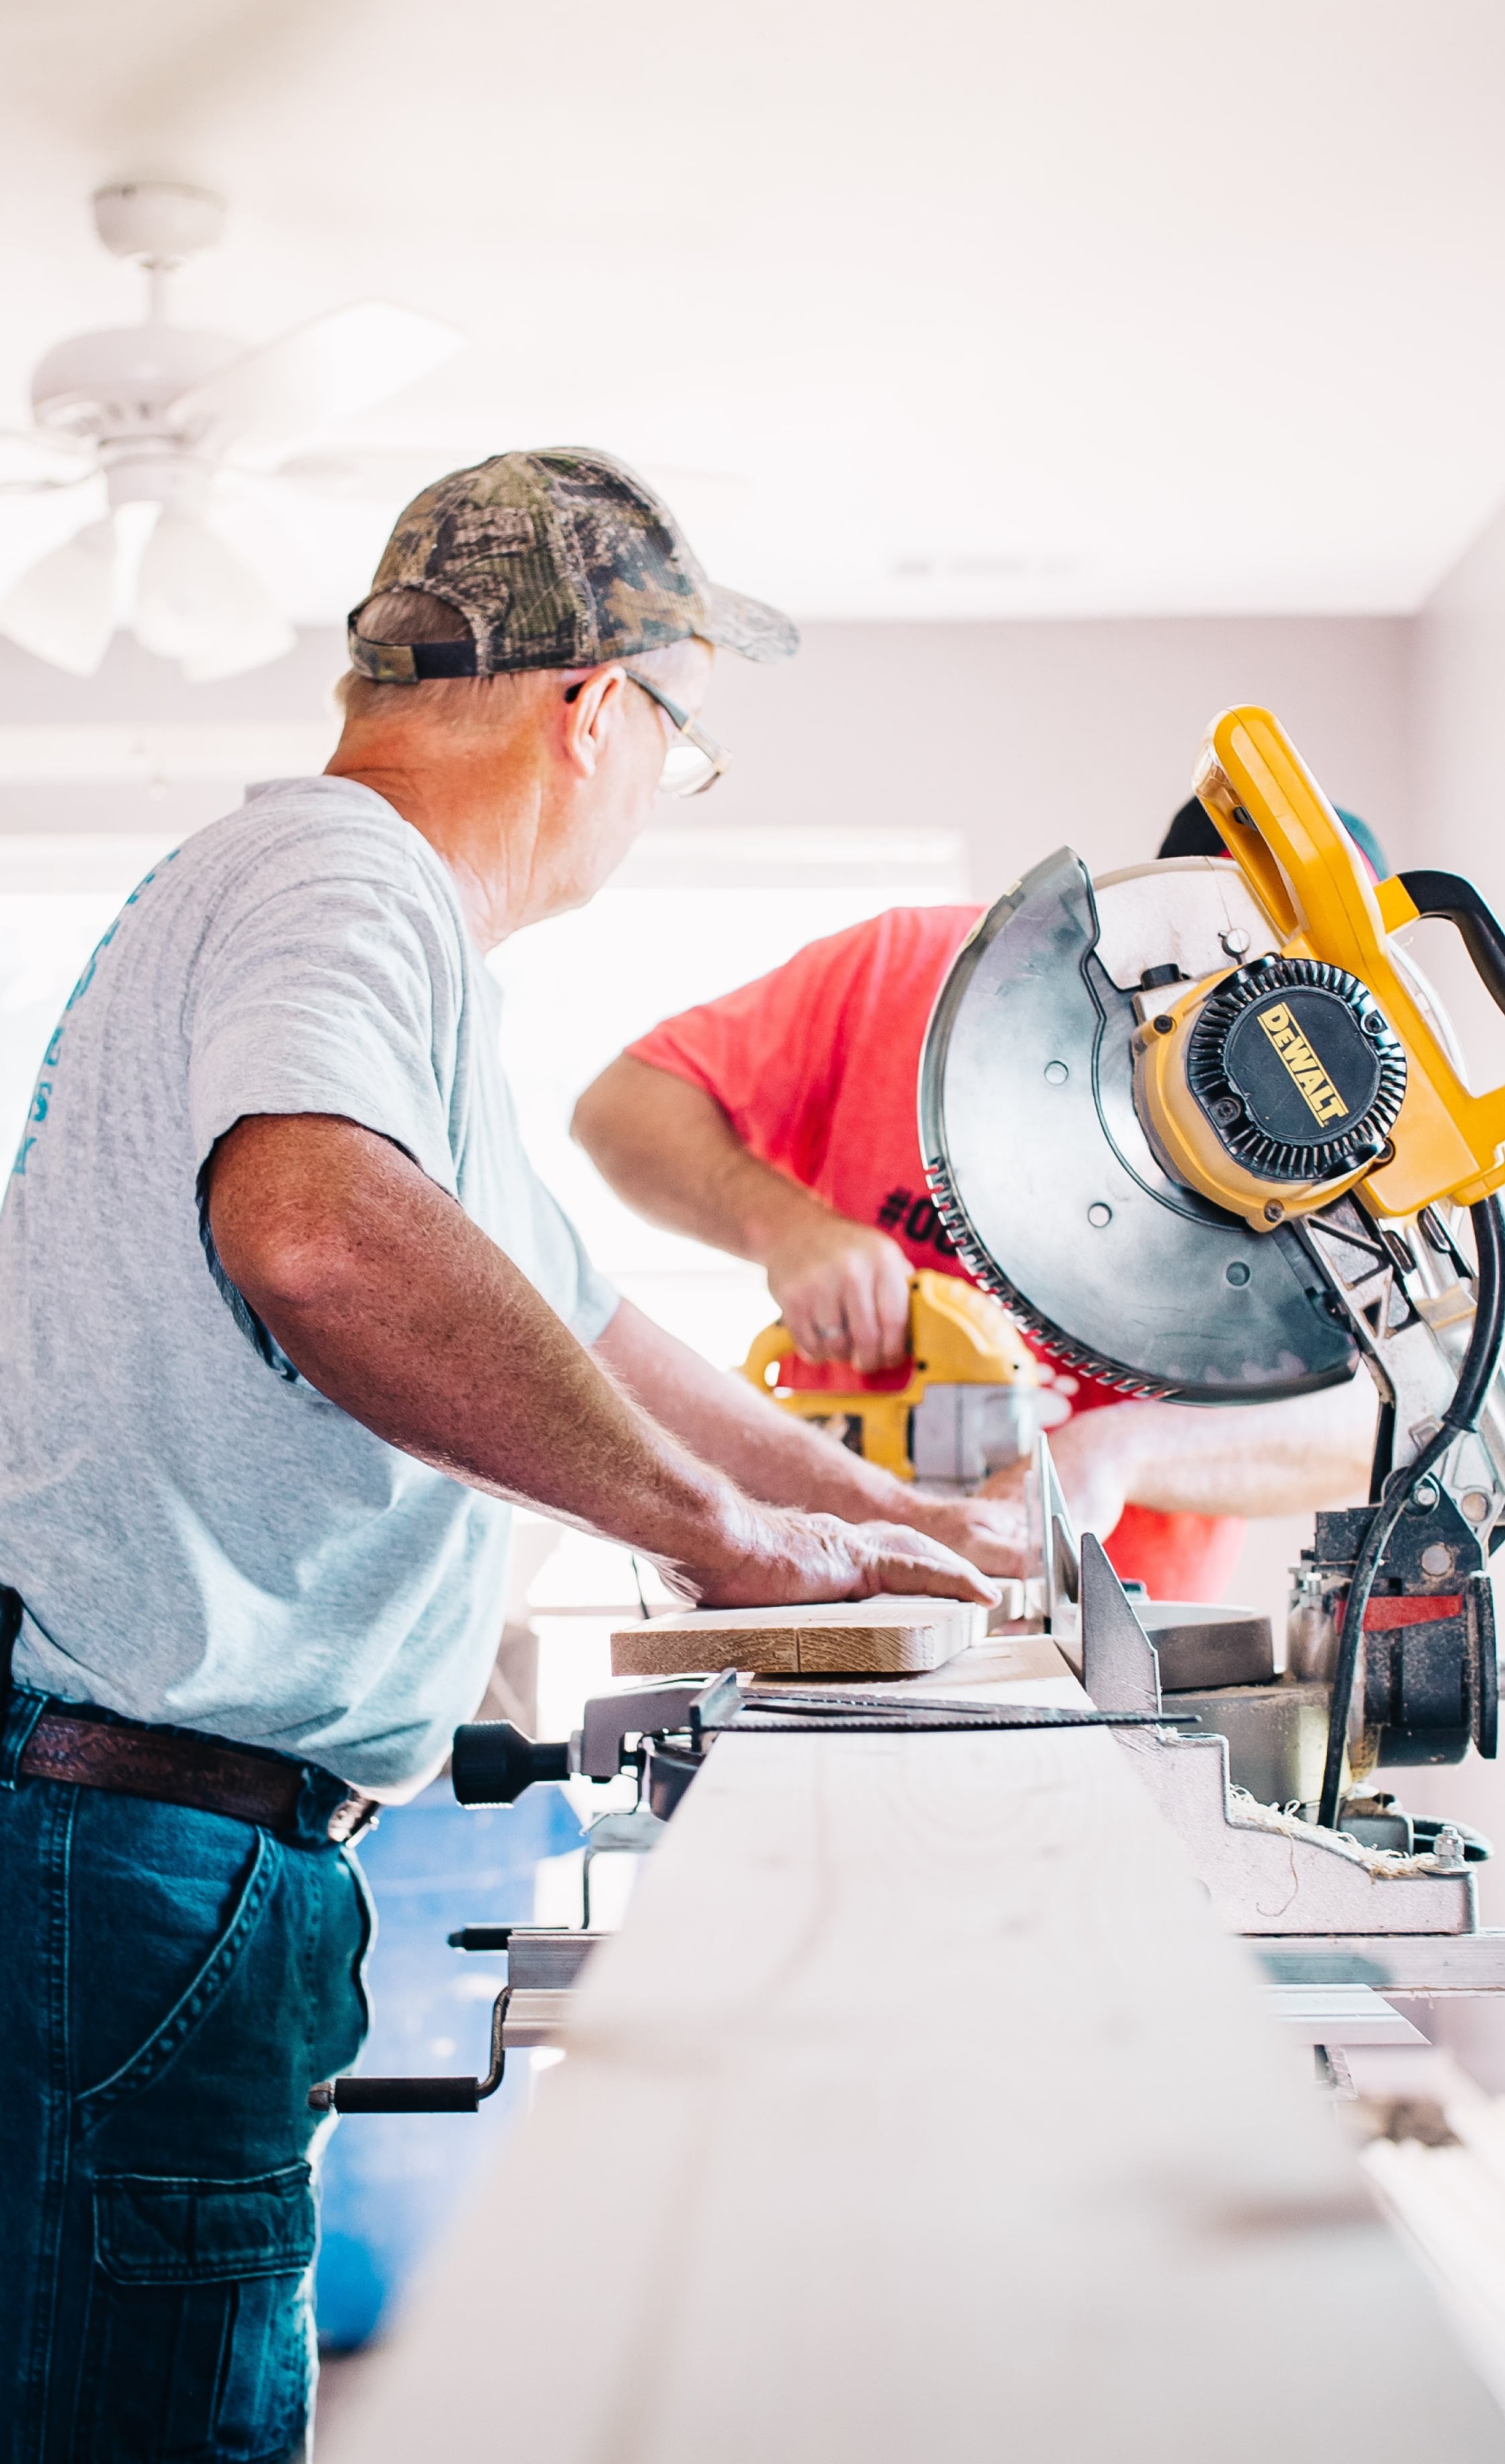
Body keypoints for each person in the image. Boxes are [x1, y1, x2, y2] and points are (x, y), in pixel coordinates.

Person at [0, 449, 1016, 2461]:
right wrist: (724, 1538)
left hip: (159, 1848)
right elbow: (313, 1228)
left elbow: (586, 1316)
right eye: (677, 741)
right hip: (146, 1848)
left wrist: (877, 1512)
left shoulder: (365, 940)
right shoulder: (342, 875)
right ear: (602, 708)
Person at [571, 796, 1387, 1600]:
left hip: (1116, 1634)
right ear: (1153, 902)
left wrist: (1120, 1448)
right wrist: (784, 1225)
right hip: (833, 1577)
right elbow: (621, 1108)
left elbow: (1375, 1423)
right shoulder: (910, 971)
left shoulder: (1343, 1149)